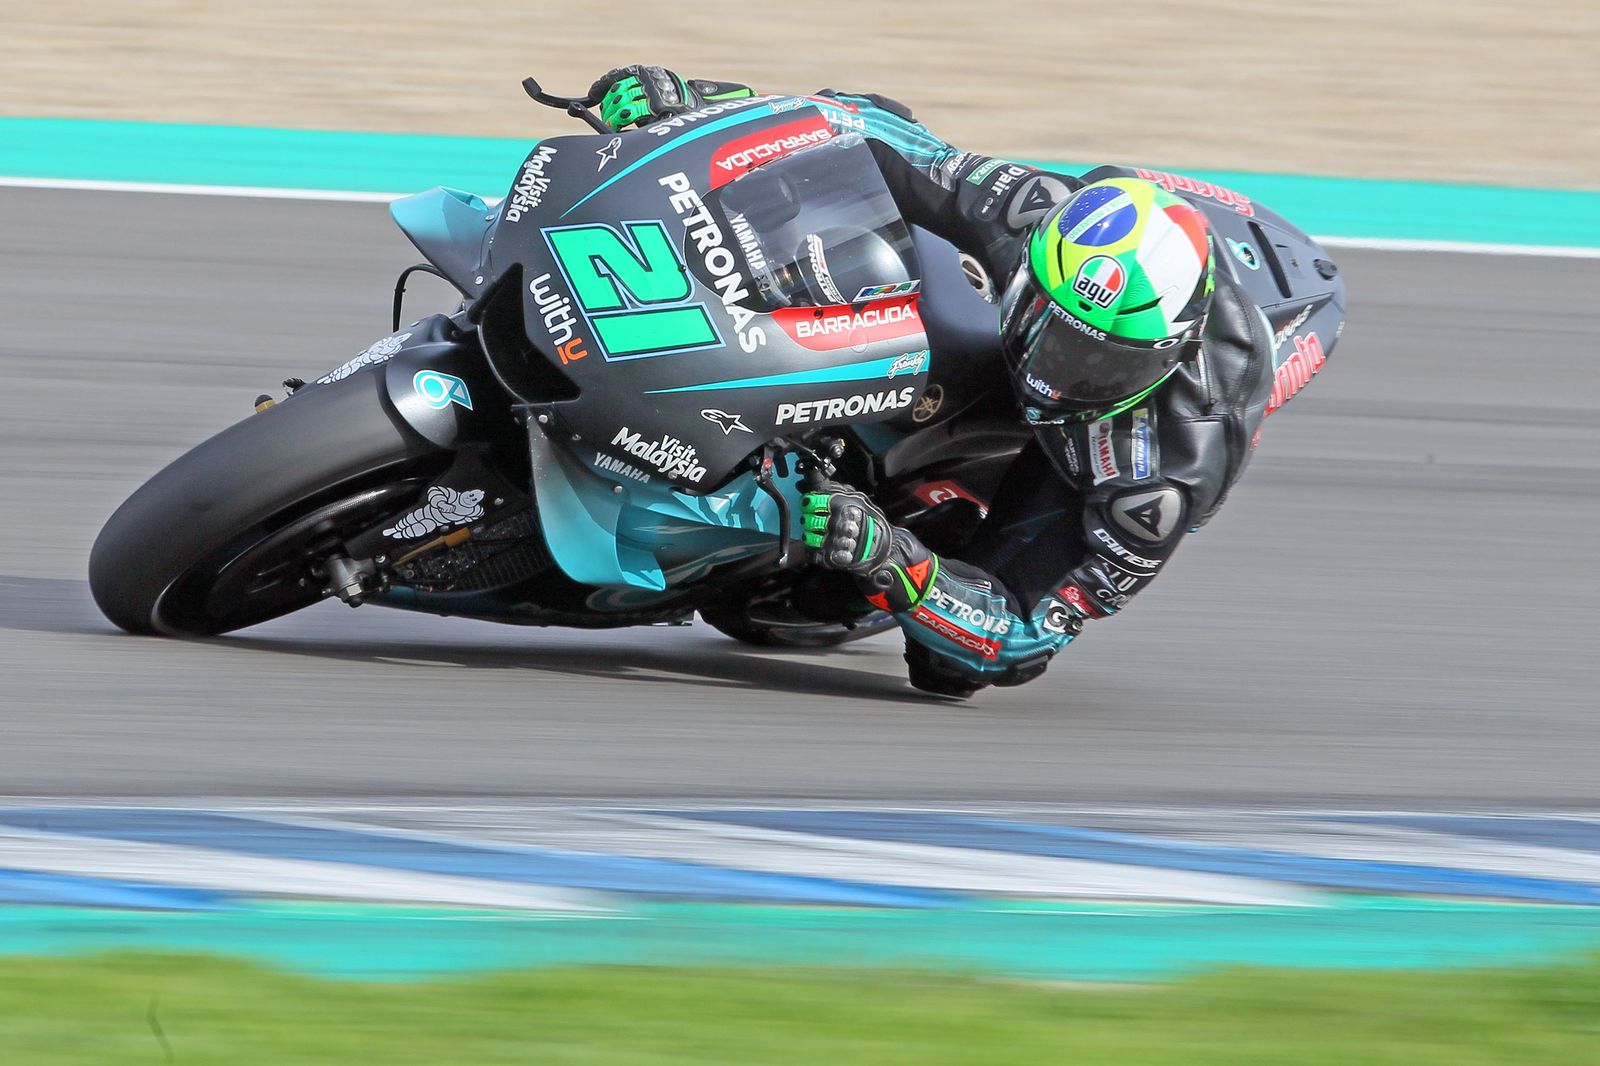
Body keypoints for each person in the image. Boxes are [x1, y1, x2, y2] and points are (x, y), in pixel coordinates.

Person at [589, 65, 1331, 698]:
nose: (1055, 367)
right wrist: (698, 106)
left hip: (1109, 441)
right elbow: (853, 126)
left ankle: (918, 515)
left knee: (949, 669)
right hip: (1112, 236)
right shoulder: (1033, 215)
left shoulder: (1163, 472)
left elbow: (1022, 636)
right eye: (1050, 322)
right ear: (1039, 267)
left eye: (1098, 361)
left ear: (1165, 353)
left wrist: (897, 562)